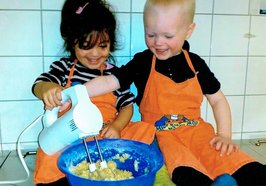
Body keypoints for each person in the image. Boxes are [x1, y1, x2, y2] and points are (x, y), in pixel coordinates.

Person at [83, 0, 266, 185]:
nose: (158, 42)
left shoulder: (196, 64)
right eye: (151, 34)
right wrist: (78, 92)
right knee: (180, 163)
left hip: (197, 131)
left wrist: (225, 135)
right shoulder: (143, 62)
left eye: (168, 36)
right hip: (161, 136)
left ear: (188, 31)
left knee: (227, 157)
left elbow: (217, 100)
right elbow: (110, 81)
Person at [31, 0, 155, 185]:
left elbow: (127, 107)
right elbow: (39, 85)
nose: (95, 54)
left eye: (103, 46)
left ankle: (121, 170)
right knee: (48, 153)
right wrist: (48, 90)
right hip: (71, 136)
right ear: (71, 42)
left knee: (144, 130)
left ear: (110, 43)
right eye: (86, 46)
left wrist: (117, 127)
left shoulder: (115, 74)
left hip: (106, 134)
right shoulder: (64, 68)